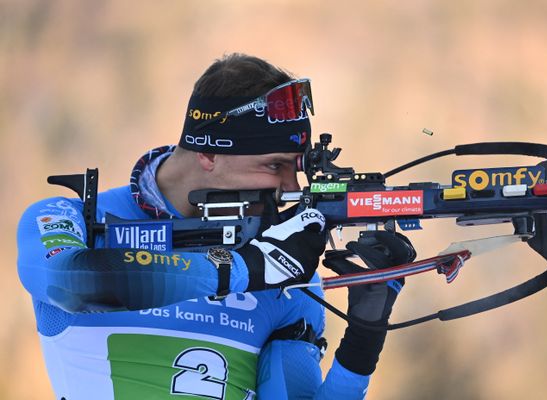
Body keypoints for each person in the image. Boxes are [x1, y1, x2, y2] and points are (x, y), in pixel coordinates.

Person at [17, 53, 416, 400]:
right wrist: (243, 269)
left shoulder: (283, 270)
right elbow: (66, 279)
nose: (291, 189)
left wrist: (364, 339)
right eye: (274, 166)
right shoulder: (70, 217)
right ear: (208, 153)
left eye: (296, 169)